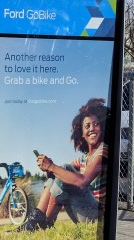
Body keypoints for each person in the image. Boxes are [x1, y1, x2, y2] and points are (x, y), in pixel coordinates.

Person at [18, 98, 109, 232]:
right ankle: (41, 222)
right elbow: (59, 175)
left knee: (63, 169)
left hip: (97, 214)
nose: (92, 129)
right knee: (60, 172)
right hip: (83, 212)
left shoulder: (104, 151)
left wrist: (52, 166)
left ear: (102, 127)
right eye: (87, 126)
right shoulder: (84, 158)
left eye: (96, 124)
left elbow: (82, 182)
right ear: (82, 133)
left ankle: (40, 222)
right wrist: (48, 169)